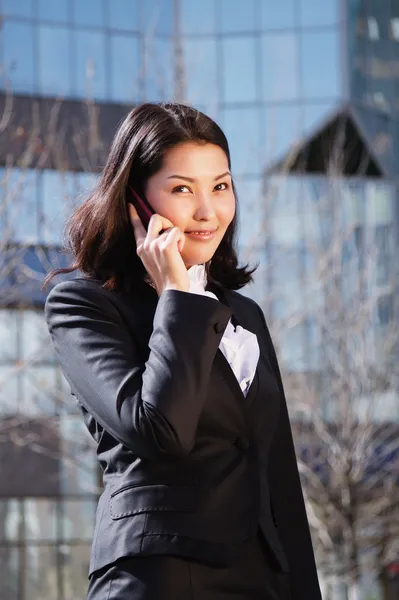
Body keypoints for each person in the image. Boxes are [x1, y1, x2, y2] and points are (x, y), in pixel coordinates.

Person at [43, 103, 322, 600]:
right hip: (160, 577)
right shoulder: (83, 304)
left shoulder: (244, 314)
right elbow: (160, 431)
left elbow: (276, 474)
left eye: (220, 185)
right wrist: (177, 297)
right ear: (135, 200)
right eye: (181, 189)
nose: (207, 211)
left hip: (263, 579)